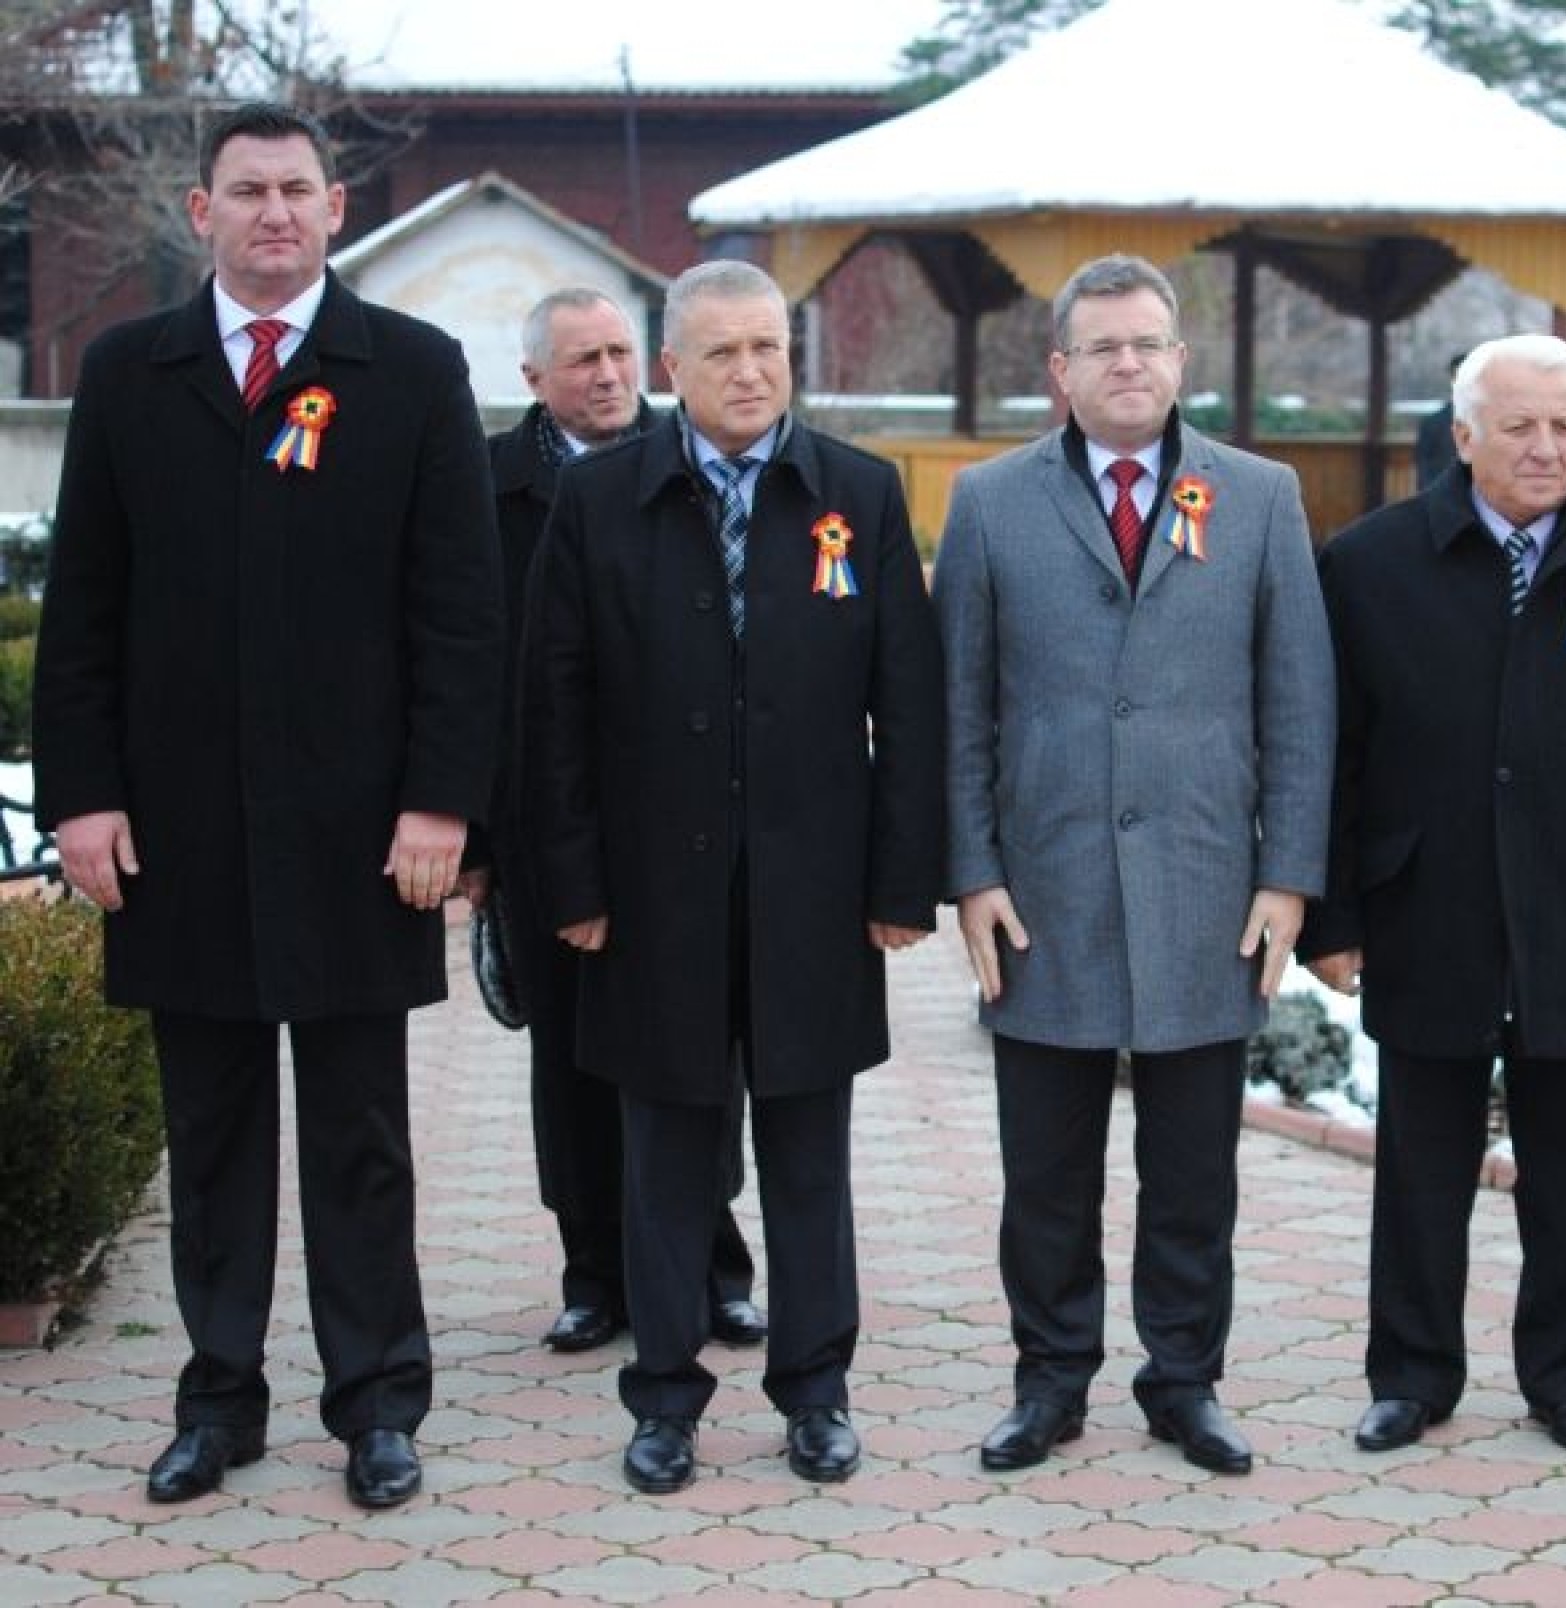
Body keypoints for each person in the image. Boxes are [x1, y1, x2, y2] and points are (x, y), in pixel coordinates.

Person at [31, 102, 504, 1509]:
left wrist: (441, 807)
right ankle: (218, 1400)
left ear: (338, 210)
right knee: (215, 1134)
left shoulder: (412, 373)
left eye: (299, 188)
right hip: (182, 835)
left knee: (359, 1136)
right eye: (249, 191)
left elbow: (461, 619)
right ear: (202, 211)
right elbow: (85, 614)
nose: (276, 212)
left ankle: (376, 1403)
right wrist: (83, 799)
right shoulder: (129, 374)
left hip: (363, 838)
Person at [521, 259, 944, 1493]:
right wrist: (576, 885)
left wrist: (896, 883)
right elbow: (554, 705)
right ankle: (664, 1399)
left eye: (768, 347)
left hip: (814, 899)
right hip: (652, 899)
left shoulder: (854, 494)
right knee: (664, 1159)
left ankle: (816, 1391)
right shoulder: (602, 501)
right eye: (721, 353)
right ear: (672, 371)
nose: (750, 372)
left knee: (809, 1156)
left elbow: (903, 700)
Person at [933, 253, 1334, 1477]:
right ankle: (1050, 1381)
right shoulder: (991, 503)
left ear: (1180, 360)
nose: (1128, 364)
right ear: (1059, 369)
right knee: (1045, 1175)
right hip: (1042, 893)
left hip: (1209, 892)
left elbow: (1299, 702)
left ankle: (1184, 1381)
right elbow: (960, 709)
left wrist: (1287, 876)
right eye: (1103, 346)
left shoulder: (1259, 497)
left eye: (1149, 343)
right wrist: (972, 872)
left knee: (1191, 1173)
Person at [1302, 335, 1566, 1458]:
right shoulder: (1370, 563)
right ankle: (1411, 1375)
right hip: (1424, 907)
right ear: (1464, 435)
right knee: (1421, 1169)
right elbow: (1330, 755)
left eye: (1565, 427)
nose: (1546, 449)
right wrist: (1333, 917)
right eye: (1521, 426)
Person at [480, 287, 762, 1357]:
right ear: (533, 382)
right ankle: (594, 1271)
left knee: (703, 1054)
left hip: (686, 826)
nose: (604, 375)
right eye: (579, 360)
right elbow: (465, 664)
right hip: (547, 824)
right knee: (574, 1058)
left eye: (616, 354)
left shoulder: (697, 466)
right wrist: (472, 842)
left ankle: (714, 1268)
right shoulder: (489, 488)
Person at [1413, 351, 1467, 490]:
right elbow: (1424, 468)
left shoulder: (1493, 422)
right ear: (1452, 379)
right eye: (1458, 376)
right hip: (1442, 496)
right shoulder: (1432, 423)